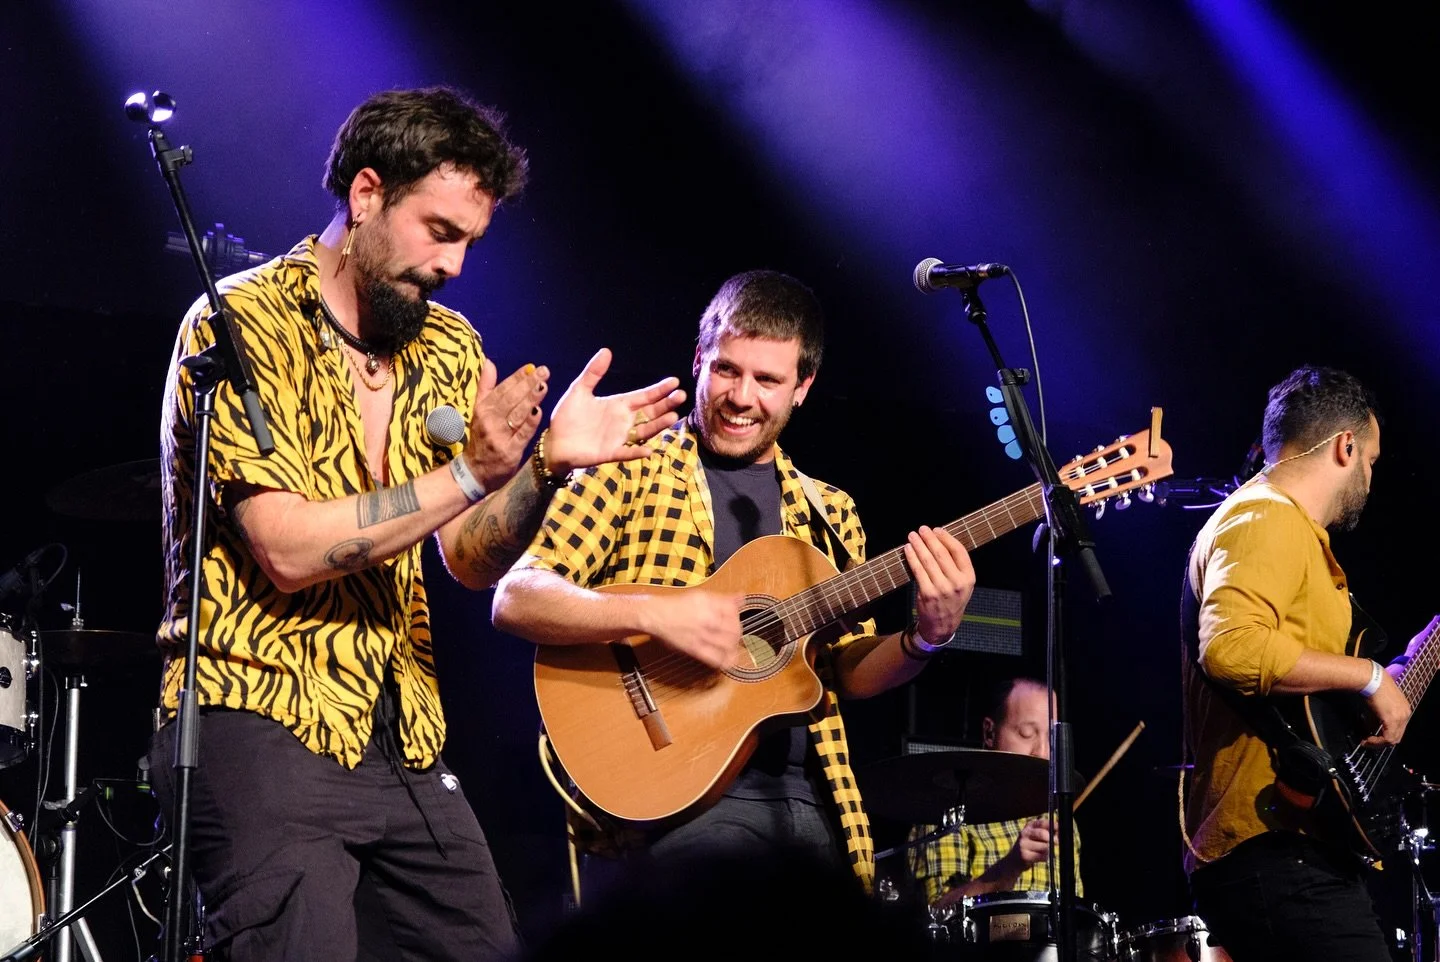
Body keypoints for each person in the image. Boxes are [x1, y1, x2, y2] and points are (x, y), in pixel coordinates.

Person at [146, 85, 686, 962]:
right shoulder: (239, 323)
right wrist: (471, 469)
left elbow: (468, 558)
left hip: (400, 731)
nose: (456, 266)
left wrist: (546, 467)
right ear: (366, 196)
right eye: (440, 232)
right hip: (253, 711)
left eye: (471, 242)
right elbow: (286, 549)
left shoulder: (450, 348)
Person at [491, 269, 977, 895]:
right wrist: (655, 615)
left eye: (768, 380)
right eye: (726, 370)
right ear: (698, 360)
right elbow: (517, 596)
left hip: (815, 804)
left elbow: (847, 672)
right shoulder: (630, 466)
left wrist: (927, 638)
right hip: (677, 800)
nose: (741, 397)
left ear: (802, 388)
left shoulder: (830, 513)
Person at [1182, 364, 1425, 961]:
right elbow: (1231, 648)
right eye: (1370, 460)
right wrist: (1368, 676)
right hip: (1273, 848)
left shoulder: (1281, 528)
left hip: (1299, 843)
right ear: (1345, 447)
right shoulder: (1265, 516)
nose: (1370, 476)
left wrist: (1398, 675)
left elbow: (1310, 697)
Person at [907, 675, 1083, 910]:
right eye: (1027, 734)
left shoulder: (1062, 821)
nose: (1042, 753)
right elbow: (937, 915)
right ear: (990, 733)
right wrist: (1010, 867)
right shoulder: (950, 813)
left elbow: (1077, 918)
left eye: (1051, 739)